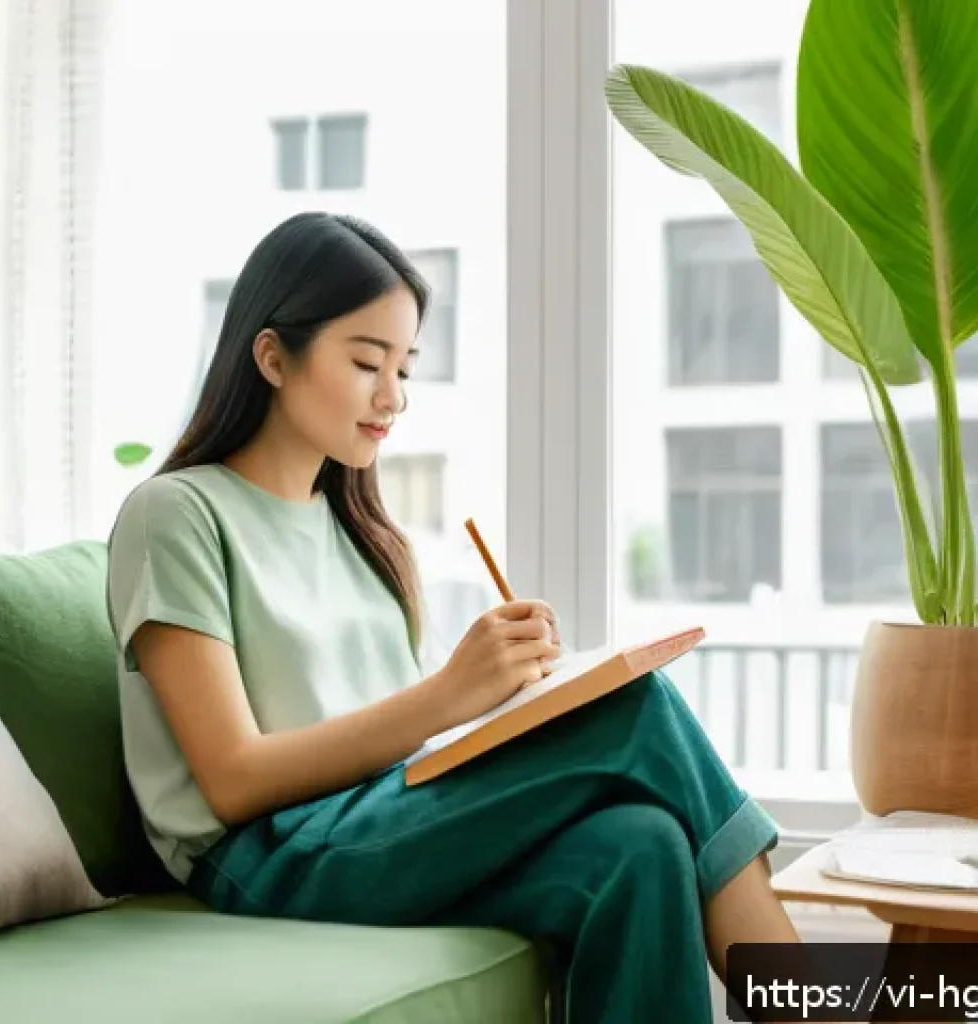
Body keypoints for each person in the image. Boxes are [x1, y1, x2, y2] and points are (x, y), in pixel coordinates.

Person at [106, 211, 801, 1023]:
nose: (392, 397)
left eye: (405, 366)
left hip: (379, 819)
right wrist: (449, 695)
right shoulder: (176, 514)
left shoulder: (359, 535)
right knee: (639, 710)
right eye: (367, 362)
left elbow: (408, 746)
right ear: (271, 356)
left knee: (641, 846)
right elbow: (231, 779)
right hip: (267, 854)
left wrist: (512, 701)